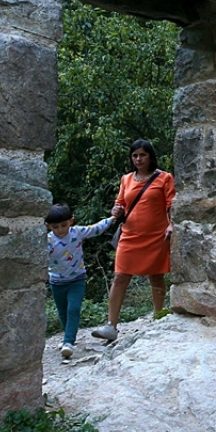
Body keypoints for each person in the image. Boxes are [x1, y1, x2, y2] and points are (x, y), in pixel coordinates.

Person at [91, 139, 175, 342]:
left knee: (156, 276)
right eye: (135, 155)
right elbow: (119, 204)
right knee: (120, 276)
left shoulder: (164, 178)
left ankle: (158, 317)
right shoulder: (126, 179)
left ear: (150, 156)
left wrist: (172, 224)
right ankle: (111, 325)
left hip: (156, 235)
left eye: (142, 155)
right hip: (129, 235)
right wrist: (116, 210)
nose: (138, 159)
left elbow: (172, 203)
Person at [46, 203, 113, 360]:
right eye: (56, 227)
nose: (60, 230)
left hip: (77, 279)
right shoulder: (47, 241)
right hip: (56, 282)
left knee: (73, 309)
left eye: (64, 225)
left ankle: (68, 342)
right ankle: (68, 337)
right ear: (48, 226)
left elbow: (96, 229)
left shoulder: (77, 233)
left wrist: (113, 218)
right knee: (62, 312)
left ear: (71, 221)